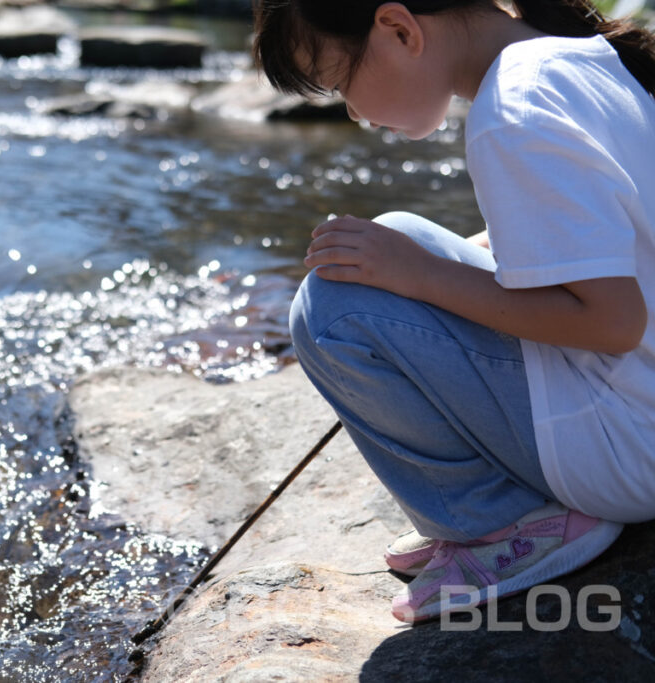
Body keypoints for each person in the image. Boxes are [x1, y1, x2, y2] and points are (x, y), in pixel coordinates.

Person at [251, 0, 655, 623]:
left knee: (334, 308)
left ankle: (503, 524)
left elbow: (613, 322)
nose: (354, 114)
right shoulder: (570, 62)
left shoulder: (512, 109)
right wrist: (423, 271)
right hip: (641, 409)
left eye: (341, 86)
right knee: (397, 236)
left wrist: (421, 275)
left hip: (628, 447)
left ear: (398, 29)